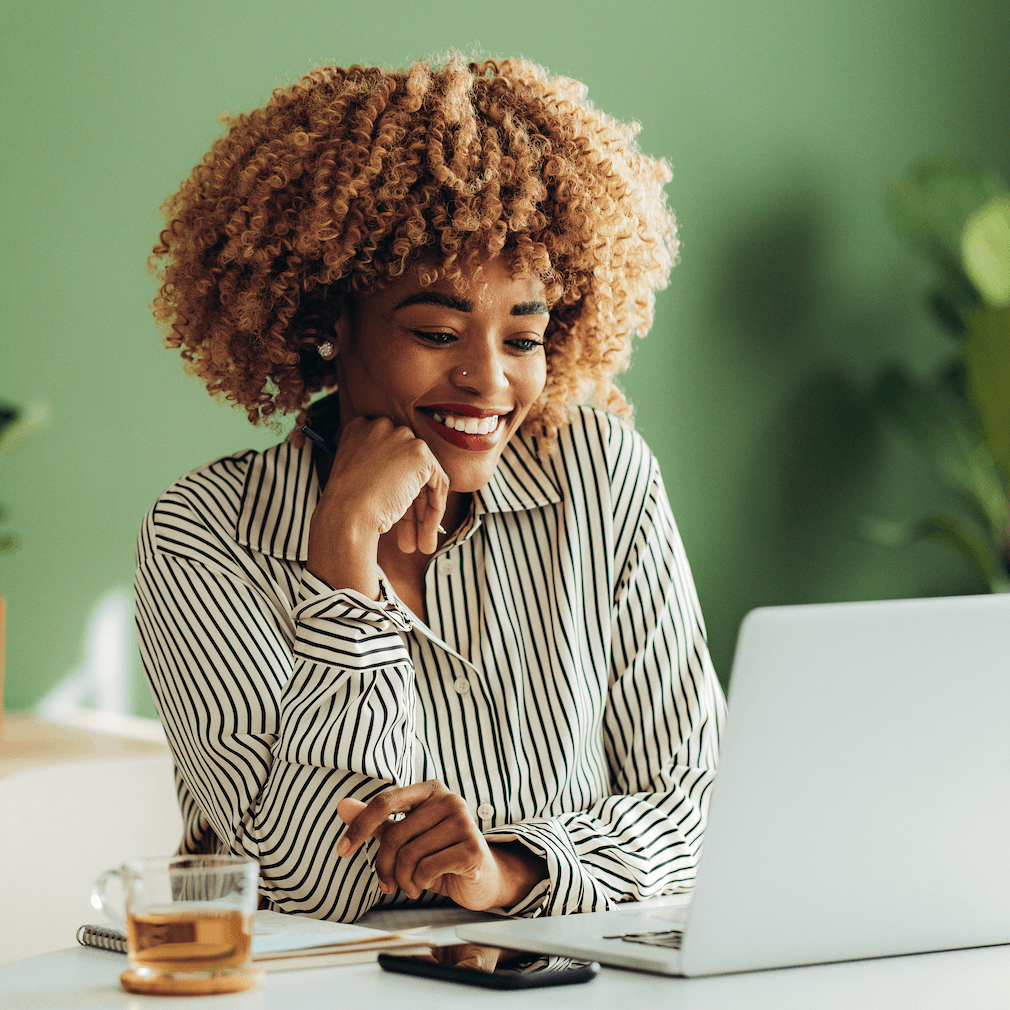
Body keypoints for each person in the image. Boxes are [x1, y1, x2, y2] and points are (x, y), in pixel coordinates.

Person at [136, 52, 727, 924]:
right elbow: (305, 882)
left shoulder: (599, 476)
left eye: (522, 340)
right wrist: (343, 562)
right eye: (437, 329)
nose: (487, 381)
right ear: (329, 321)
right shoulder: (204, 534)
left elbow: (701, 807)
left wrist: (514, 870)